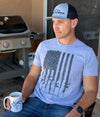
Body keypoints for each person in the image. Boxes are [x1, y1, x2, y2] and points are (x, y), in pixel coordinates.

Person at [1, 2, 98, 117]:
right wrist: (23, 95)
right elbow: (32, 76)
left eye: (60, 22)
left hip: (63, 108)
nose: (55, 27)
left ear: (74, 23)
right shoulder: (44, 46)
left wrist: (76, 112)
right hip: (35, 102)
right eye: (53, 22)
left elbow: (91, 91)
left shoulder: (87, 53)